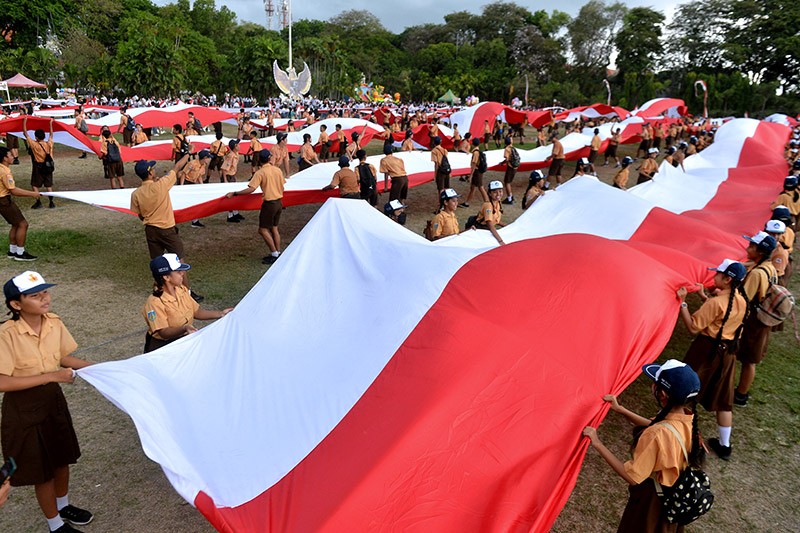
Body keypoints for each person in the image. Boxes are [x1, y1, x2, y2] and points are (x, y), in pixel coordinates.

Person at [1, 271, 95, 532]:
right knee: (42, 470)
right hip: (23, 408)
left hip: (52, 400)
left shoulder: (53, 322)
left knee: (62, 458)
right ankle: (55, 525)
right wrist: (52, 376)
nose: (44, 298)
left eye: (45, 292)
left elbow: (63, 358)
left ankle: (63, 506)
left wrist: (97, 368)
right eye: (34, 295)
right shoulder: (6, 334)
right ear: (16, 304)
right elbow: (2, 382)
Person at [583, 360, 703, 533]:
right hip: (672, 501)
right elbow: (653, 425)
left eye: (655, 383)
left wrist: (597, 443)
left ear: (663, 394)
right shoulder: (686, 419)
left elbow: (632, 477)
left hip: (651, 506)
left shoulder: (657, 434)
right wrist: (621, 409)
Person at [677, 259, 747, 461]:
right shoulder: (742, 300)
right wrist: (703, 296)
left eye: (717, 274)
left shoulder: (716, 303)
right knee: (724, 400)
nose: (713, 276)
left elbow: (693, 327)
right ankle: (724, 445)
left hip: (706, 351)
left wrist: (683, 303)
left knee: (688, 393)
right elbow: (721, 316)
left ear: (727, 279)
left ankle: (680, 438)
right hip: (728, 353)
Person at [129, 155, 204, 301]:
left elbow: (139, 214)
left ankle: (161, 292)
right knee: (179, 260)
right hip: (167, 229)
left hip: (150, 230)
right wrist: (188, 153)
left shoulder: (136, 194)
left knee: (158, 263)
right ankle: (186, 293)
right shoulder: (161, 185)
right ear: (150, 172)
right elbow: (177, 167)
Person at [142, 254, 233, 352]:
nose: (182, 273)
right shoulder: (154, 302)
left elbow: (197, 312)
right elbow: (163, 332)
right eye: (178, 272)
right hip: (164, 347)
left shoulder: (182, 289)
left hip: (184, 340)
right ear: (166, 277)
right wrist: (184, 328)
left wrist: (221, 313)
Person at [734, 231, 778, 407]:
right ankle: (741, 393)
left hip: (754, 321)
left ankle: (740, 395)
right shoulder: (769, 267)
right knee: (750, 358)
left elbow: (743, 298)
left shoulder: (757, 274)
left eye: (751, 246)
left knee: (749, 359)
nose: (747, 248)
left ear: (760, 252)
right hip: (763, 319)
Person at [225, 149, 285, 264]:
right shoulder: (277, 170)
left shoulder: (260, 173)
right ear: (269, 158)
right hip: (279, 203)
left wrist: (235, 193)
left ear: (259, 160)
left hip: (270, 204)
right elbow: (282, 186)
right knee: (274, 228)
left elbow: (251, 189)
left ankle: (274, 254)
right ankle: (278, 251)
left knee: (263, 229)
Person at [0, 147, 40, 261]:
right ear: (5, 158)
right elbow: (13, 190)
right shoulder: (5, 172)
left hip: (3, 200)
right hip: (4, 201)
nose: (13, 157)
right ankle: (20, 253)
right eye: (10, 155)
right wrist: (33, 194)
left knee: (15, 224)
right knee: (23, 224)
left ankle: (12, 251)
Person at [23, 116, 55, 209]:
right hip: (48, 166)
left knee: (35, 185)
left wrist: (25, 121)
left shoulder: (34, 145)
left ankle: (38, 201)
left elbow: (25, 133)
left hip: (38, 167)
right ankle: (51, 202)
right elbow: (51, 135)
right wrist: (50, 123)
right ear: (44, 136)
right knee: (48, 185)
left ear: (36, 137)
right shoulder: (49, 144)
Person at [474, 180, 505, 246]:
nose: (498, 194)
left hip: (489, 229)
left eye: (500, 191)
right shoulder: (488, 205)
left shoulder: (498, 202)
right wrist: (500, 241)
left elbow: (495, 220)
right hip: (482, 230)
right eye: (495, 192)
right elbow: (489, 224)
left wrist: (506, 226)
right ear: (490, 193)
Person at [461, 137, 488, 208]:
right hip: (478, 171)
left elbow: (474, 164)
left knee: (480, 187)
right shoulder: (478, 151)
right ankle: (467, 202)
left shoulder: (475, 153)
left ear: (472, 144)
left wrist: (471, 175)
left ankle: (487, 201)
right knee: (473, 188)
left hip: (477, 172)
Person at [500, 136, 519, 204]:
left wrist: (502, 163)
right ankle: (510, 196)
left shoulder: (507, 149)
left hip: (511, 167)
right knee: (508, 182)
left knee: (507, 182)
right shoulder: (512, 148)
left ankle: (509, 198)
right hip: (515, 167)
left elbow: (507, 159)